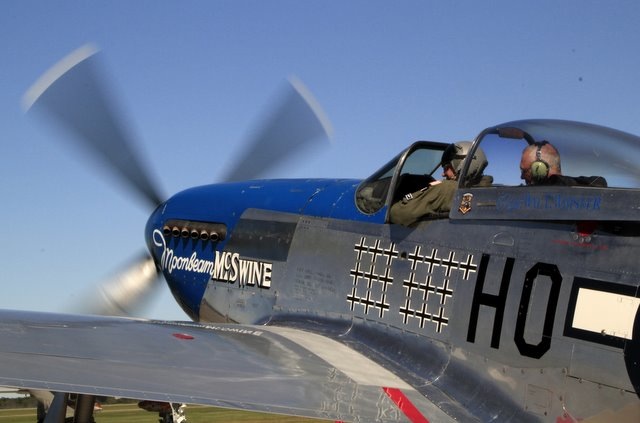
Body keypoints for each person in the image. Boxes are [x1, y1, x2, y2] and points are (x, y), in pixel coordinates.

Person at [390, 141, 492, 226]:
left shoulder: (446, 189)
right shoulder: (490, 192)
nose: (443, 174)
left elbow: (398, 214)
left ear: (461, 164)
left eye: (446, 167)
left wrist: (428, 190)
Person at [520, 141, 607, 186]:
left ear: (540, 169)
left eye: (524, 171)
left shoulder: (538, 201)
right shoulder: (590, 189)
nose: (522, 177)